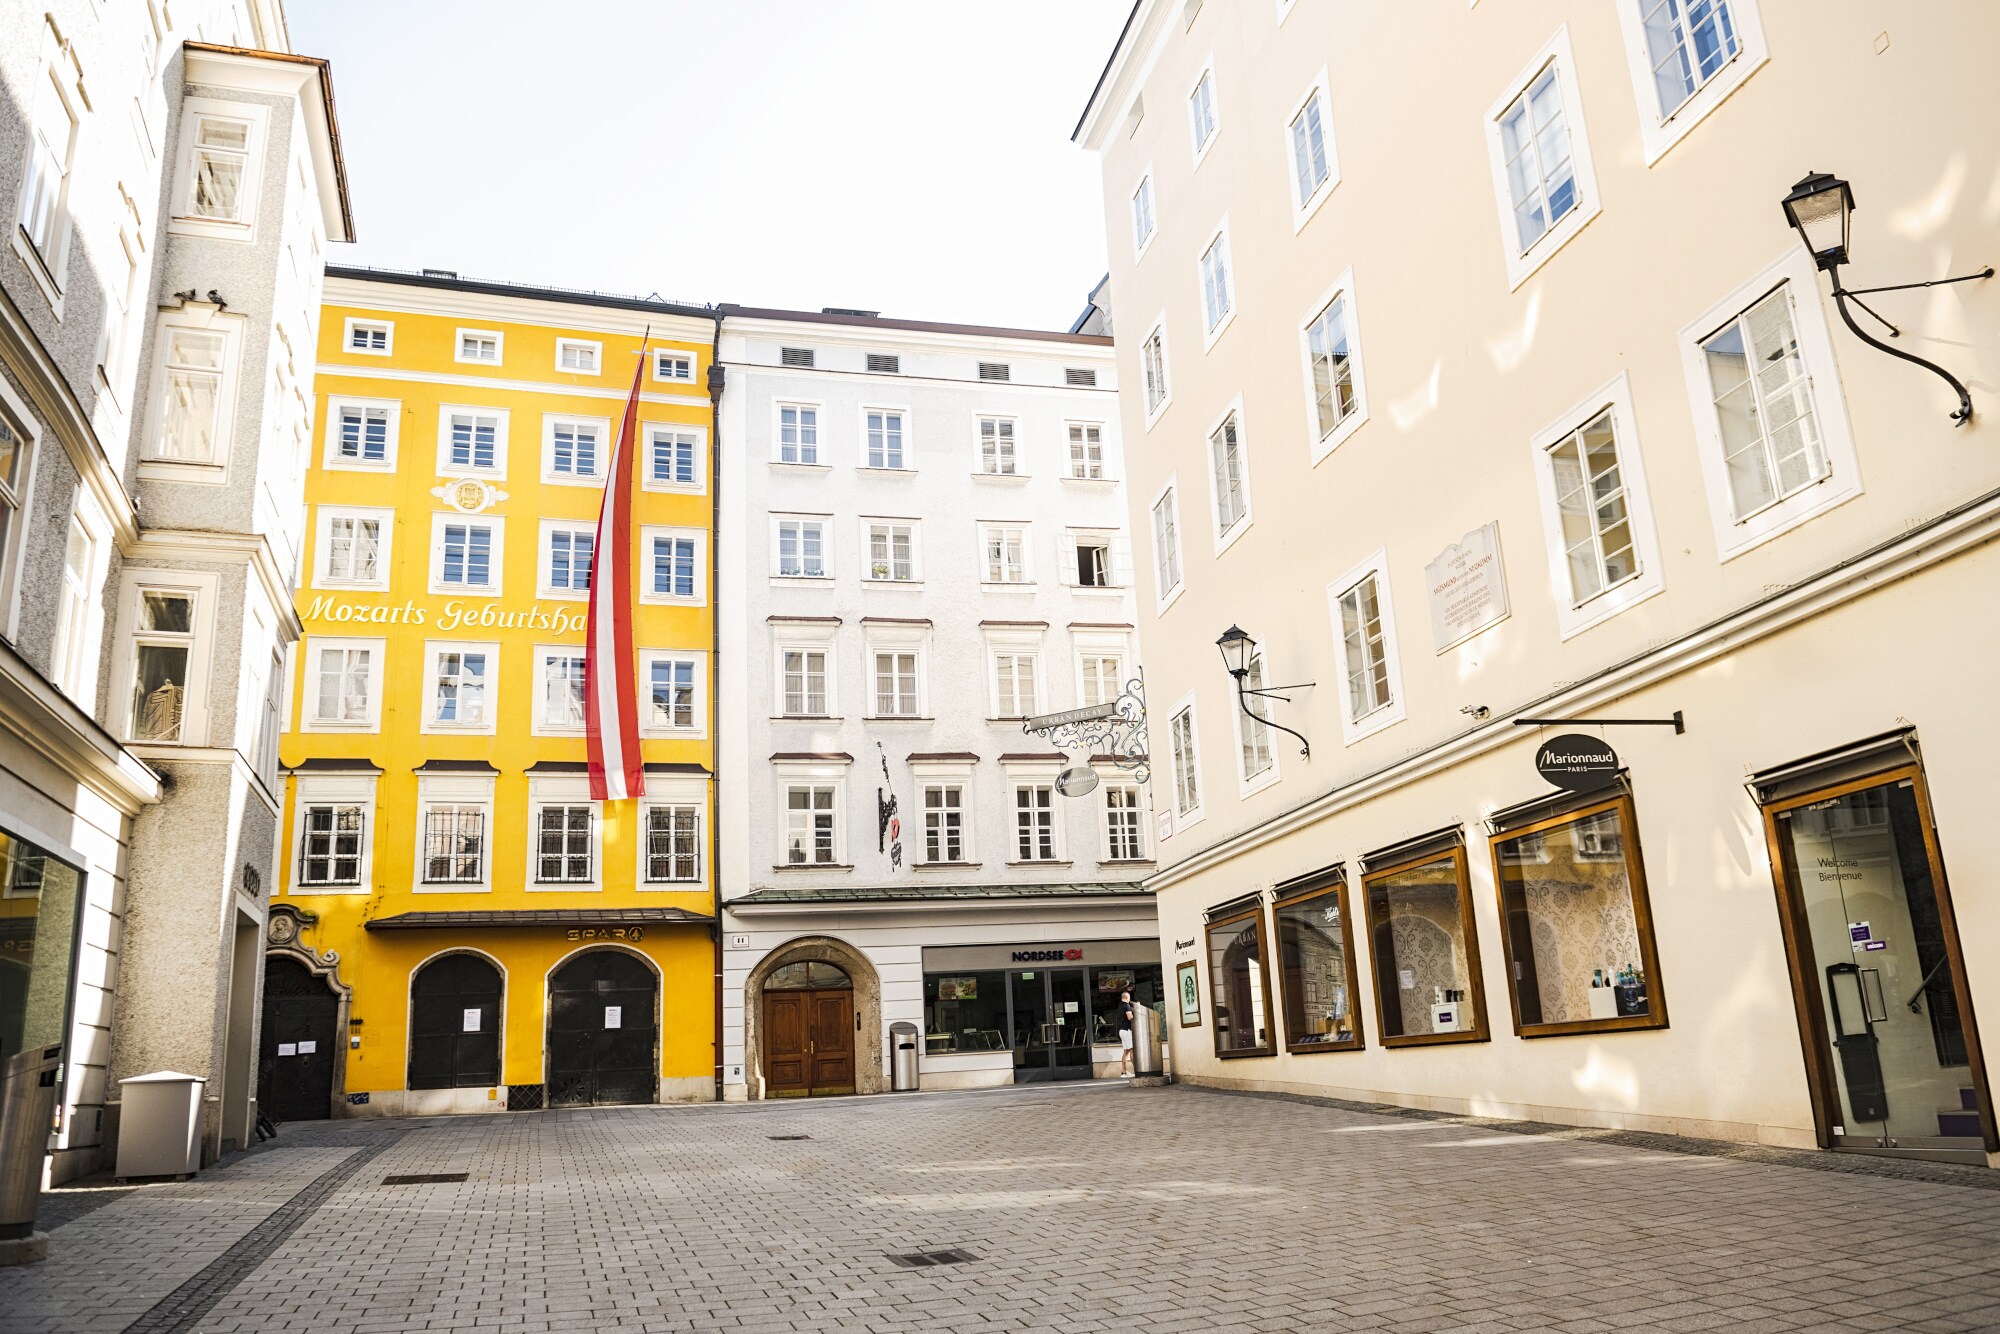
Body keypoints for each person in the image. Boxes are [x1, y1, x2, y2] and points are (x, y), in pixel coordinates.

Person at [1117, 989, 1137, 1077]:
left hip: (1122, 1030)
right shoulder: (1126, 1005)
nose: (1129, 999)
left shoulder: (1120, 1006)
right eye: (1129, 997)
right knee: (1132, 1050)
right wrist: (1134, 1014)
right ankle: (1138, 1070)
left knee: (1126, 1052)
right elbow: (1129, 1017)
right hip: (1127, 1031)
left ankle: (1124, 1072)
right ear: (1126, 997)